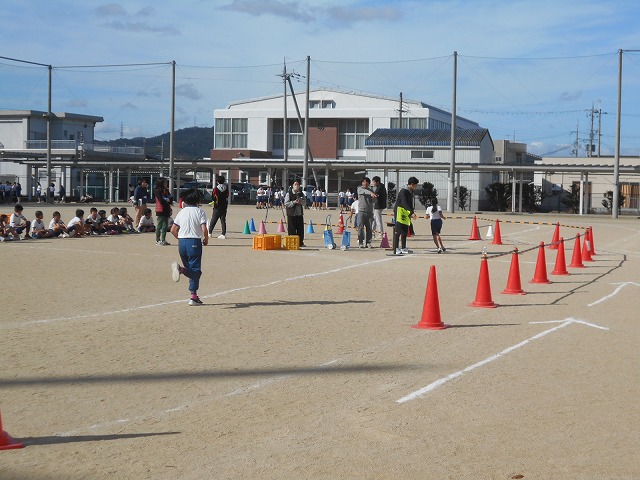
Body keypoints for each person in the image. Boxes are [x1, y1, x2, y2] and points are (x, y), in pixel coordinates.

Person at [170, 187, 208, 306]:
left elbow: (173, 229)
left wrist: (180, 238)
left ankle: (194, 296)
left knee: (190, 270)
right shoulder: (200, 212)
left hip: (182, 242)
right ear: (198, 200)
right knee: (195, 270)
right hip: (194, 242)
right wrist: (206, 238)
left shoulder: (182, 212)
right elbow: (204, 228)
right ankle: (180, 270)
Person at [393, 177, 419, 255]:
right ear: (411, 184)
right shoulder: (403, 191)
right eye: (415, 185)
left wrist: (411, 212)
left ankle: (403, 248)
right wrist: (411, 213)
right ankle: (396, 248)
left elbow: (409, 204)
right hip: (399, 212)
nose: (415, 187)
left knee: (404, 230)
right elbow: (404, 203)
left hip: (405, 212)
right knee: (398, 230)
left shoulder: (410, 191)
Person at [356, 176, 377, 248]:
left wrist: (374, 198)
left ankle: (368, 242)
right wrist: (370, 193)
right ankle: (361, 242)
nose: (365, 183)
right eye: (363, 182)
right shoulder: (360, 189)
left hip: (369, 211)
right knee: (360, 227)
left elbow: (374, 201)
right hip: (361, 211)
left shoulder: (371, 191)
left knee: (369, 228)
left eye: (366, 182)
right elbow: (364, 192)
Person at [284, 180, 306, 247]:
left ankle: (300, 242)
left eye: (298, 184)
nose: (296, 186)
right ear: (293, 186)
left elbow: (305, 203)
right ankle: (292, 243)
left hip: (299, 214)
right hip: (291, 214)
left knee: (300, 229)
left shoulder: (301, 193)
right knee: (292, 229)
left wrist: (301, 202)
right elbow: (286, 203)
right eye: (295, 184)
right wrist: (294, 202)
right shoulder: (289, 194)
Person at [208, 175, 229, 239]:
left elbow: (213, 197)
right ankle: (223, 233)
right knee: (223, 220)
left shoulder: (215, 189)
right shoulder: (226, 187)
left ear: (217, 181)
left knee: (213, 220)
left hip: (217, 206)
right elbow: (227, 195)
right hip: (224, 206)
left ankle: (210, 233)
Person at [154, 177, 173, 245]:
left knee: (165, 226)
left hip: (166, 209)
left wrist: (168, 200)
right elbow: (161, 200)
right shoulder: (157, 191)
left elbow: (171, 198)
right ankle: (157, 240)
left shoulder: (166, 190)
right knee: (159, 225)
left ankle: (163, 239)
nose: (166, 183)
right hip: (160, 210)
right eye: (165, 182)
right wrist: (167, 200)